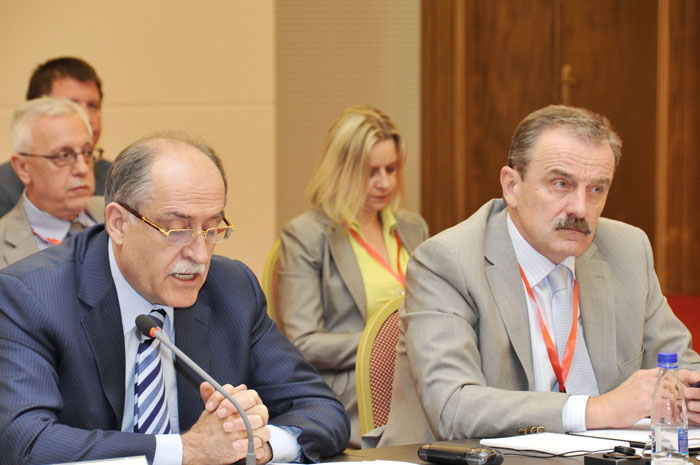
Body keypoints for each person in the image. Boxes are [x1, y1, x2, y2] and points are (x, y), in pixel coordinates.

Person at [0, 133, 350, 465]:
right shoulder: (31, 296)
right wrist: (187, 451)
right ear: (119, 223)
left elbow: (321, 409)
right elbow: (25, 442)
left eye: (212, 229)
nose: (199, 254)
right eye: (177, 230)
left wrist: (258, 445)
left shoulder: (231, 287)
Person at [379, 104, 700, 446]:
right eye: (561, 183)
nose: (580, 208)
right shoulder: (446, 262)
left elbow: (682, 368)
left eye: (596, 189)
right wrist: (596, 409)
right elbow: (454, 408)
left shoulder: (627, 249)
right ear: (511, 186)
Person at [278, 104, 428, 447]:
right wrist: (387, 345)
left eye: (391, 168)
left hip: (419, 377)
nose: (385, 182)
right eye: (370, 171)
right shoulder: (306, 236)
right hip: (352, 389)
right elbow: (303, 343)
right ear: (342, 170)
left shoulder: (413, 228)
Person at [0, 97, 104, 267]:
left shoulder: (122, 215)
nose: (82, 169)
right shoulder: (4, 249)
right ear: (23, 168)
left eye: (87, 152)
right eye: (63, 156)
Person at [0, 56, 110, 217]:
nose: (85, 117)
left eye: (93, 105)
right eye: (70, 106)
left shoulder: (117, 180)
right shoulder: (4, 187)